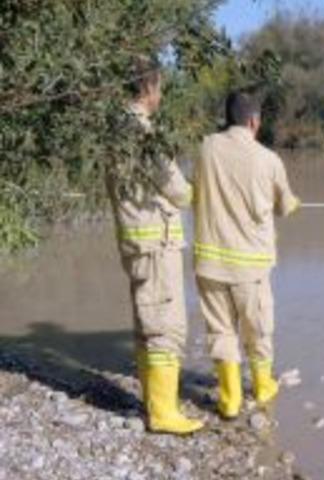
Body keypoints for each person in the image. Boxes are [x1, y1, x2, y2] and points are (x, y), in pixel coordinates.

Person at [106, 57, 203, 435]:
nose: (160, 95)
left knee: (146, 323)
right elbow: (175, 188)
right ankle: (163, 414)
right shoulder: (139, 129)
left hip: (135, 240)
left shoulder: (115, 126)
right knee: (166, 326)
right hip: (155, 242)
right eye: (159, 87)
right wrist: (197, 192)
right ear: (147, 88)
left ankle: (153, 403)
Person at [193, 91, 301, 419]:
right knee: (258, 331)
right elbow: (284, 206)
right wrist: (294, 202)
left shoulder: (204, 148)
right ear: (254, 121)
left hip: (209, 264)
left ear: (227, 117)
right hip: (251, 268)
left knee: (220, 332)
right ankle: (263, 386)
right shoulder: (269, 160)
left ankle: (230, 399)